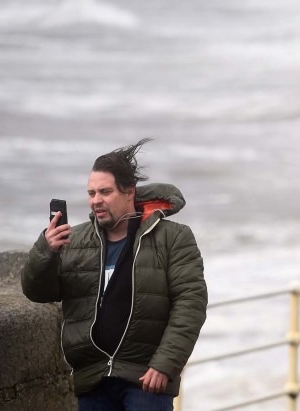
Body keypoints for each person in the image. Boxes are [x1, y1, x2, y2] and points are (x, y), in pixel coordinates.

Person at [21, 138, 207, 410]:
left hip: (145, 378)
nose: (96, 200)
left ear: (129, 192)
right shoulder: (76, 240)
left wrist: (165, 364)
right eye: (91, 193)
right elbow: (37, 291)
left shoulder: (173, 237)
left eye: (105, 192)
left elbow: (191, 303)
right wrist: (45, 251)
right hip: (93, 379)